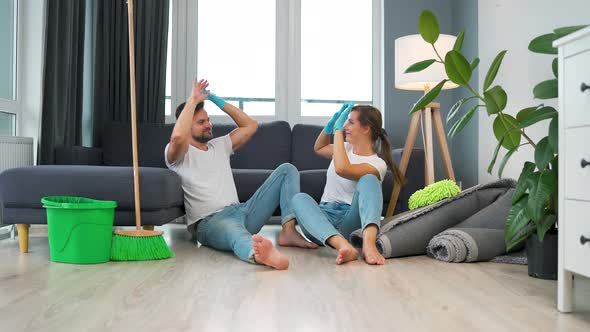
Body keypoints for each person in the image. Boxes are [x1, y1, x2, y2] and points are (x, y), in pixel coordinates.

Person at [165, 79, 317, 270]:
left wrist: (215, 100)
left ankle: (288, 231)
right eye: (201, 122)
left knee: (287, 170)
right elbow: (178, 137)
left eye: (208, 120)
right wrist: (192, 100)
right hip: (211, 222)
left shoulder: (219, 145)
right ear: (187, 125)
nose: (208, 125)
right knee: (235, 234)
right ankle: (258, 254)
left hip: (243, 211)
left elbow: (250, 126)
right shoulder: (179, 154)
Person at [291, 103, 404, 265]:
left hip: (350, 221)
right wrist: (330, 126)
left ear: (366, 128)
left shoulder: (377, 163)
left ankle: (368, 244)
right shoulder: (344, 148)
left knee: (369, 179)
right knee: (299, 198)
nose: (345, 126)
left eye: (350, 122)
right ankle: (342, 246)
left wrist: (337, 132)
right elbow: (319, 148)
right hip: (322, 220)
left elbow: (342, 168)